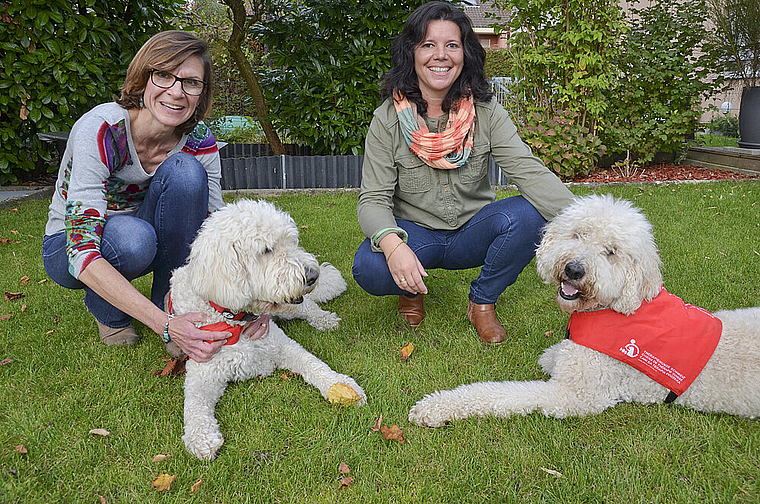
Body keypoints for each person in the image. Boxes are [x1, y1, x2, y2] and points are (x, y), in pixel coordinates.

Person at [352, 2, 575, 344]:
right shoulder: (387, 119)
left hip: (472, 232)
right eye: (428, 45)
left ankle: (482, 303)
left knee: (530, 214)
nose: (440, 56)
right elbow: (373, 199)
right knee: (370, 266)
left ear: (465, 54)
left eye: (451, 45)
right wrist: (393, 246)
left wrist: (588, 226)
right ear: (411, 54)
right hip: (417, 235)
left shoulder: (486, 113)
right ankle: (411, 291)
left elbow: (528, 172)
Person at [42, 30, 266, 362]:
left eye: (191, 83)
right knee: (134, 240)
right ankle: (111, 314)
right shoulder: (102, 130)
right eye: (163, 75)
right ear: (143, 78)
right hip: (69, 244)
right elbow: (80, 250)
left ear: (201, 94)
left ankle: (172, 301)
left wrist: (253, 299)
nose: (176, 92)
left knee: (187, 173)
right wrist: (165, 326)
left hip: (141, 229)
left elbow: (219, 229)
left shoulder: (199, 139)